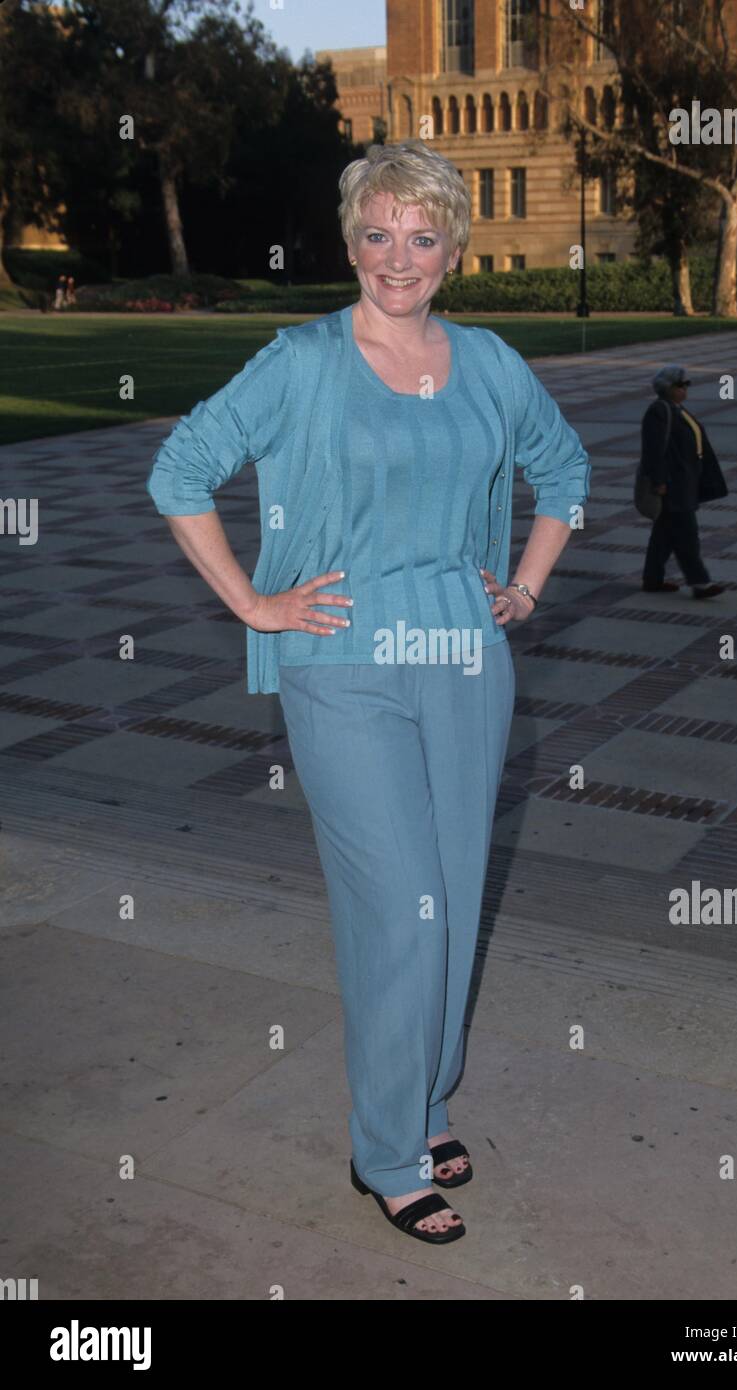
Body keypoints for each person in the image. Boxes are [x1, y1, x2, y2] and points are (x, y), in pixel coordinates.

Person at [146, 139, 590, 1245]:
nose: (400, 257)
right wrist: (254, 603)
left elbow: (567, 471)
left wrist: (523, 589)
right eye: (379, 233)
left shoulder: (487, 361)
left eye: (423, 236)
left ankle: (426, 1097)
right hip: (340, 659)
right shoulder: (302, 360)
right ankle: (386, 1149)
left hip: (465, 661)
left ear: (453, 251)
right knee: (398, 906)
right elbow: (179, 472)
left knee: (449, 891)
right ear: (351, 243)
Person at [640, 364, 727, 598]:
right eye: (680, 385)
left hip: (685, 481)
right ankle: (700, 583)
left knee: (664, 535)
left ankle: (652, 579)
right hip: (672, 484)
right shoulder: (659, 411)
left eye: (686, 385)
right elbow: (654, 450)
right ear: (667, 388)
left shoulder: (677, 409)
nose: (685, 389)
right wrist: (659, 480)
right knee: (687, 534)